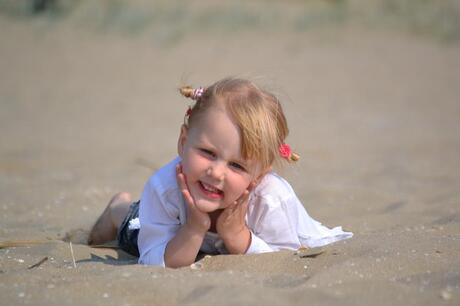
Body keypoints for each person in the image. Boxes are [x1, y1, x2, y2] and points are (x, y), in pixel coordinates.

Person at [88, 77, 352, 268]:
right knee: (131, 226)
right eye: (207, 152)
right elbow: (154, 260)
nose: (216, 172)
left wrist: (239, 237)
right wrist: (193, 229)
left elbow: (285, 257)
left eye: (237, 165)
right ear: (183, 141)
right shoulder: (164, 187)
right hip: (170, 229)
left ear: (259, 175)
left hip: (231, 236)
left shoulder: (270, 199)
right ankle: (118, 207)